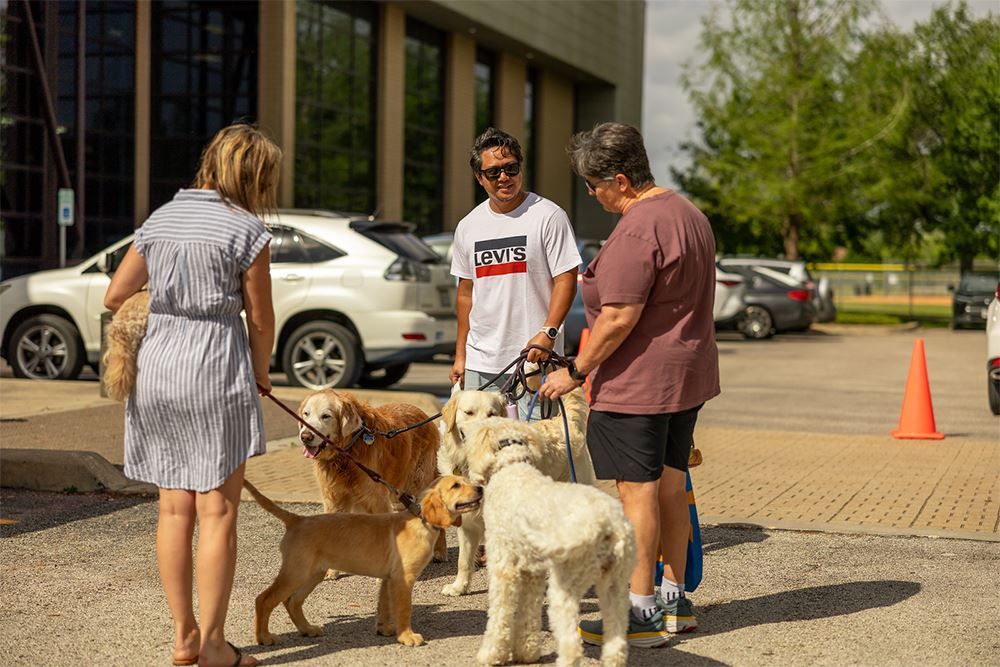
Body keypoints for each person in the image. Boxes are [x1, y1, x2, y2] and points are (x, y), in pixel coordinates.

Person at [104, 123, 280, 667]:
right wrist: (262, 373)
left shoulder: (161, 218)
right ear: (251, 176)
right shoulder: (246, 230)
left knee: (174, 510)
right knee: (219, 511)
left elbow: (115, 294)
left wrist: (172, 299)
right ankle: (214, 646)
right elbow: (260, 319)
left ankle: (183, 637)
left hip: (159, 367)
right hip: (215, 368)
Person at [539, 122, 720, 647]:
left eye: (595, 185)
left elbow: (617, 318)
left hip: (642, 384)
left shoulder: (639, 227)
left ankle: (638, 614)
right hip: (686, 376)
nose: (592, 196)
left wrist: (573, 372)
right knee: (671, 482)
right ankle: (673, 598)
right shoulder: (689, 213)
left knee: (635, 492)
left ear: (621, 178)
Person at [449, 127, 581, 419]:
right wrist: (461, 355)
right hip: (480, 364)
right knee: (480, 454)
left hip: (533, 362)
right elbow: (465, 294)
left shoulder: (548, 216)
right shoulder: (468, 226)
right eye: (494, 172)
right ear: (480, 177)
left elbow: (566, 279)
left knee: (532, 452)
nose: (504, 178)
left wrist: (548, 332)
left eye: (511, 168)